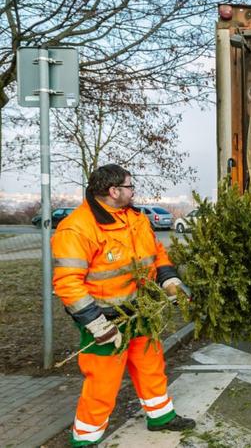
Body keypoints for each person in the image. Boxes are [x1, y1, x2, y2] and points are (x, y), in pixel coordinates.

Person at [51, 164, 195, 446]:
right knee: (102, 382)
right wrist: (96, 324)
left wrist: (170, 281)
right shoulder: (77, 228)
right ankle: (85, 439)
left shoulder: (136, 220)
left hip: (140, 311)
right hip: (105, 318)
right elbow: (68, 283)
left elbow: (157, 256)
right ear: (113, 191)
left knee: (150, 365)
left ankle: (161, 417)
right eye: (130, 186)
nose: (133, 191)